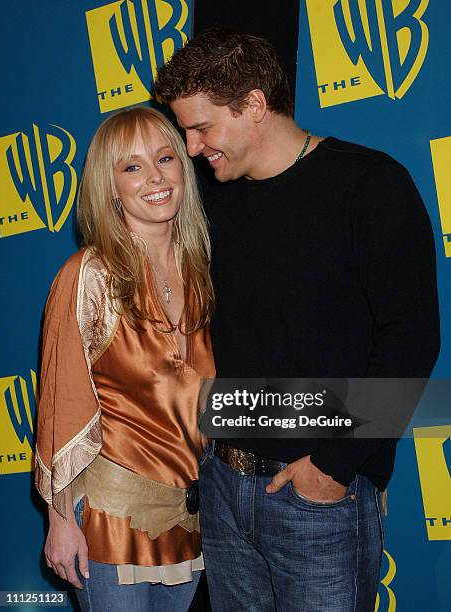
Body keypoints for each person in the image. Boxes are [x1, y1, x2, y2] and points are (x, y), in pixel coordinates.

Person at [155, 28, 441, 611]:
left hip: (315, 498)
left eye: (202, 127)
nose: (190, 148)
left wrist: (335, 469)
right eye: (184, 130)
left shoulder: (369, 185)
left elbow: (410, 340)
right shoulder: (214, 200)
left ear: (255, 105)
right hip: (223, 489)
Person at [35, 106, 215, 612]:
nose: (155, 177)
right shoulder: (89, 274)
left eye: (165, 158)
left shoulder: (204, 271)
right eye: (132, 166)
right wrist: (60, 520)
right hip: (109, 521)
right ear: (109, 185)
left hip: (188, 517)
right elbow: (62, 402)